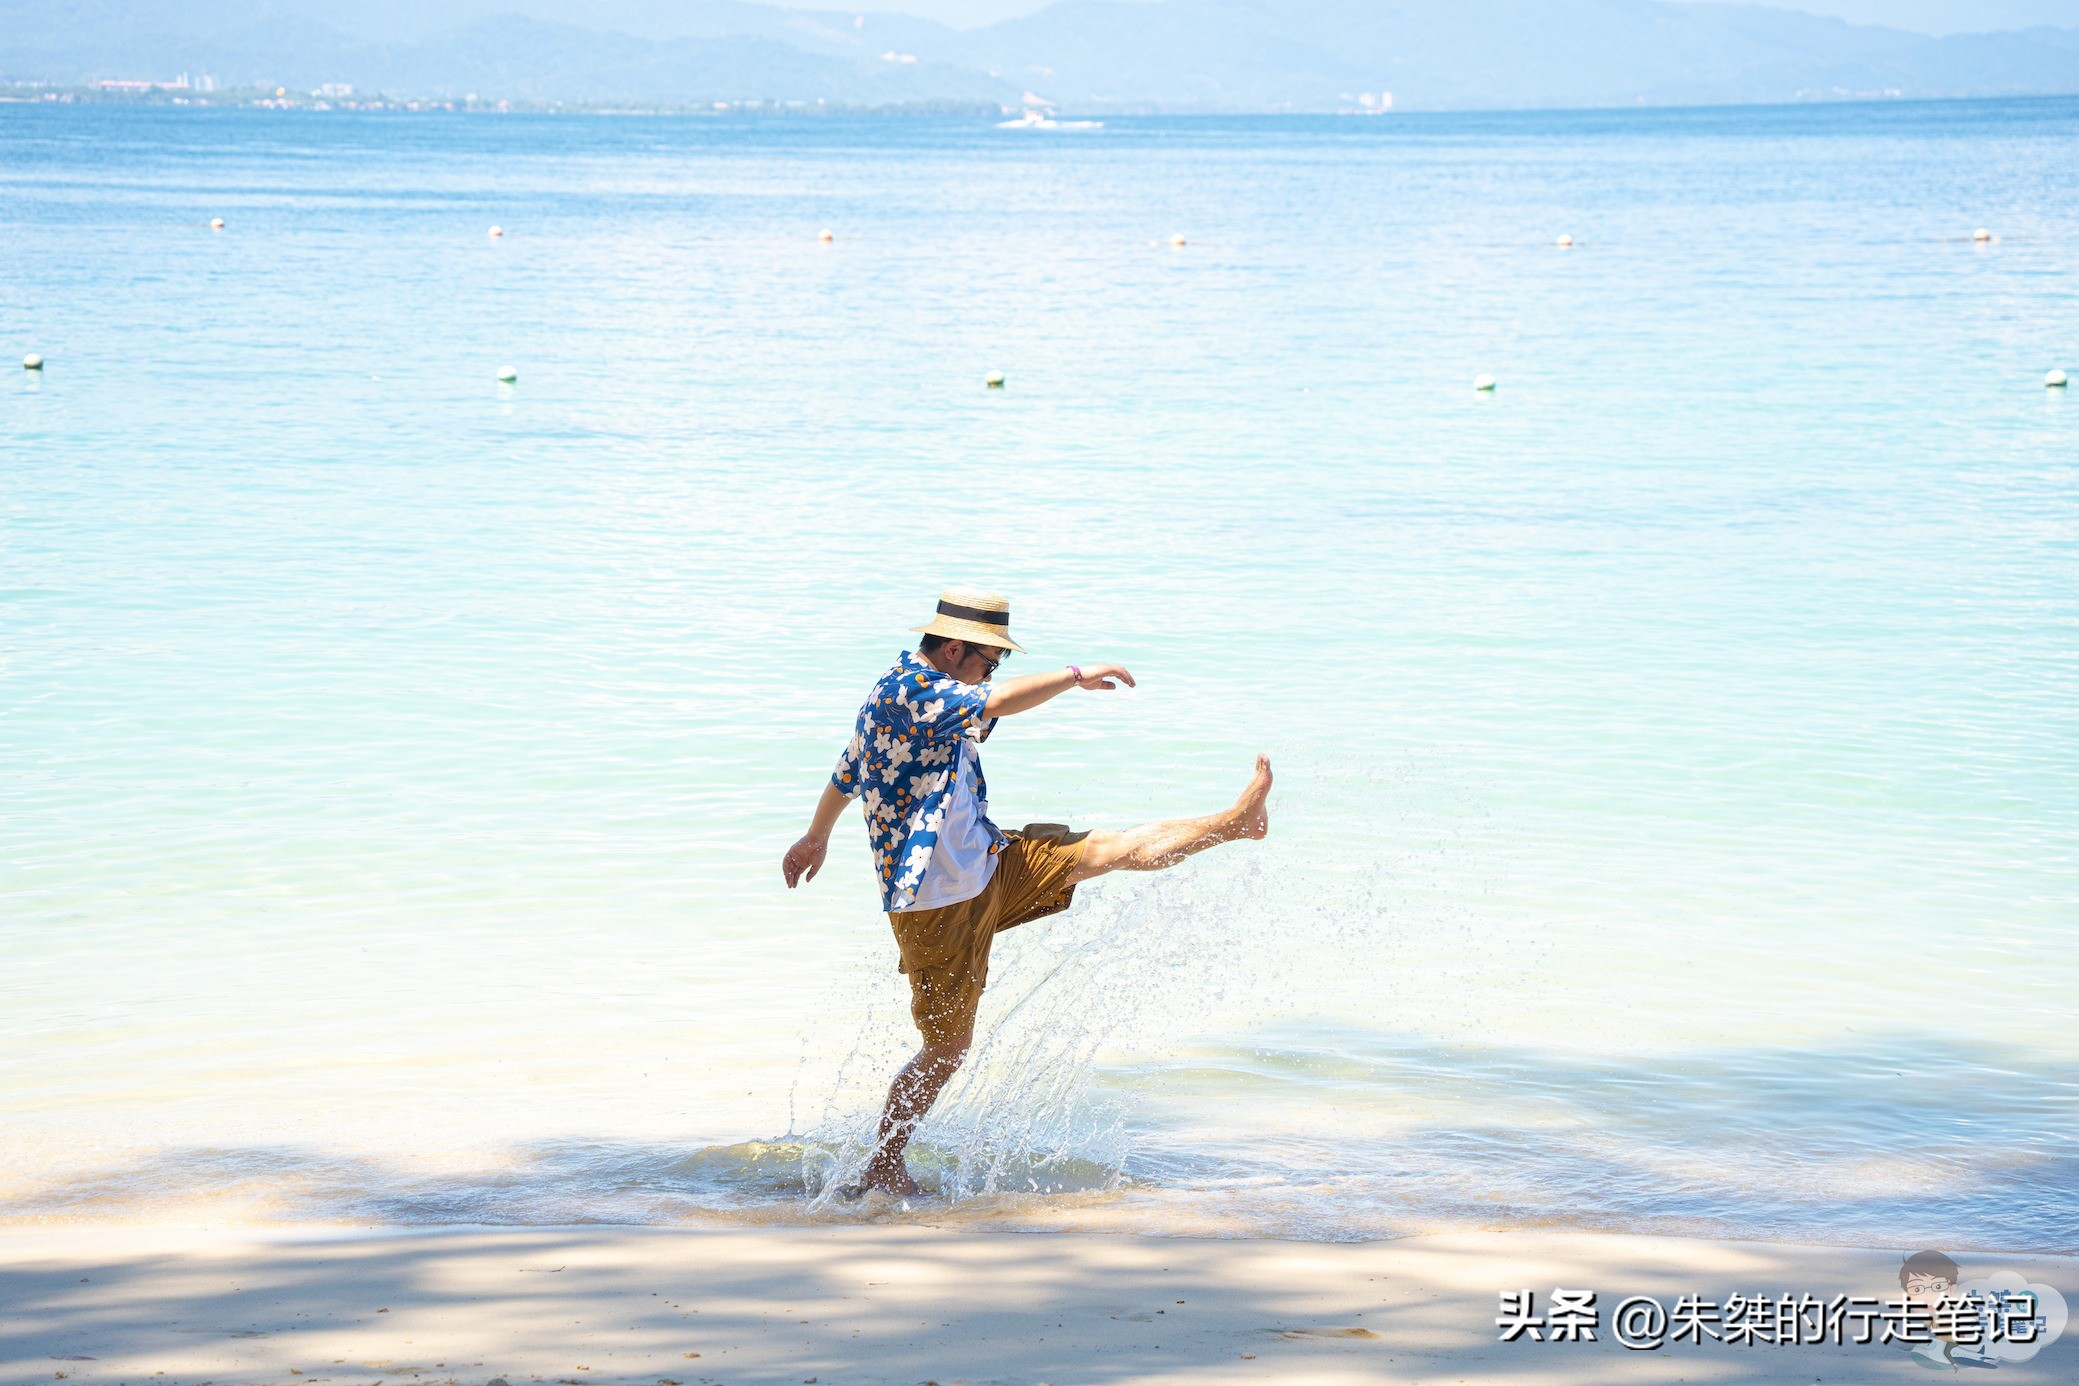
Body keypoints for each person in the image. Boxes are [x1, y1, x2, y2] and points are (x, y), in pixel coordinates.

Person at [782, 589, 1273, 1196]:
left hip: (988, 860)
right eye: (991, 659)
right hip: (936, 901)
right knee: (945, 1049)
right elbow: (996, 703)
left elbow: (846, 772)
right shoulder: (907, 690)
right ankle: (883, 1163)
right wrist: (1074, 674)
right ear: (956, 649)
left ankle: (1234, 823)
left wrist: (815, 836)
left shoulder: (920, 689)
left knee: (1108, 850)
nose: (993, 671)